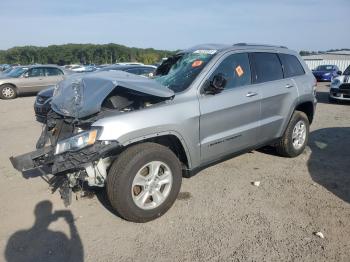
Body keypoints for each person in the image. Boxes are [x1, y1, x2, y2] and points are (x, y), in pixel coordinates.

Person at [5, 200, 83, 262]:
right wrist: (71, 225)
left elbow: (8, 255)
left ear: (35, 213)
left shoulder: (17, 235)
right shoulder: (60, 235)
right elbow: (78, 253)